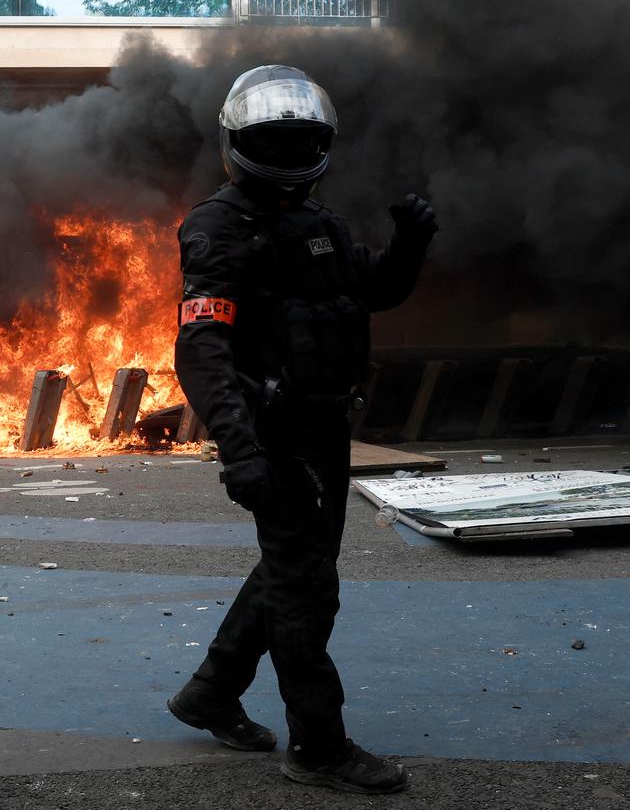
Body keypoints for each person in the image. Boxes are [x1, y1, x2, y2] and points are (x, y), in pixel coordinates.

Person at [168, 65, 436, 795]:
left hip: (323, 430)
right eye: (274, 143)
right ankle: (318, 744)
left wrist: (408, 244)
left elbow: (369, 288)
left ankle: (210, 692)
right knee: (307, 589)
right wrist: (239, 447)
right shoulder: (219, 227)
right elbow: (202, 346)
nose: (288, 157)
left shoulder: (322, 223)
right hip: (274, 436)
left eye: (299, 143)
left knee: (295, 568)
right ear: (238, 146)